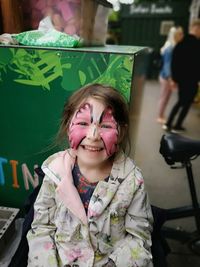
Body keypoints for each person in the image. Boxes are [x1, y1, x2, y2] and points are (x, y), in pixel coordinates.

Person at [26, 84, 153, 267]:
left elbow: (138, 240)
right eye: (83, 123)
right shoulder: (55, 173)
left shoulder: (133, 182)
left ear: (122, 131)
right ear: (67, 125)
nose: (93, 135)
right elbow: (41, 229)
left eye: (105, 125)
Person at [163, 19, 200, 132]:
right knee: (184, 102)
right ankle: (172, 124)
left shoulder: (181, 42)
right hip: (191, 80)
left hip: (183, 80)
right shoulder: (197, 44)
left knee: (183, 102)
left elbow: (175, 61)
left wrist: (175, 78)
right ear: (196, 28)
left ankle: (172, 124)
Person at [157, 26, 184, 124]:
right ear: (175, 35)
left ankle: (161, 114)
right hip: (166, 77)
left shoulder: (173, 46)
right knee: (164, 97)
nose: (182, 36)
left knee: (166, 97)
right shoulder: (170, 48)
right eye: (180, 34)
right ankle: (159, 116)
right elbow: (167, 65)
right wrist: (171, 79)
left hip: (167, 77)